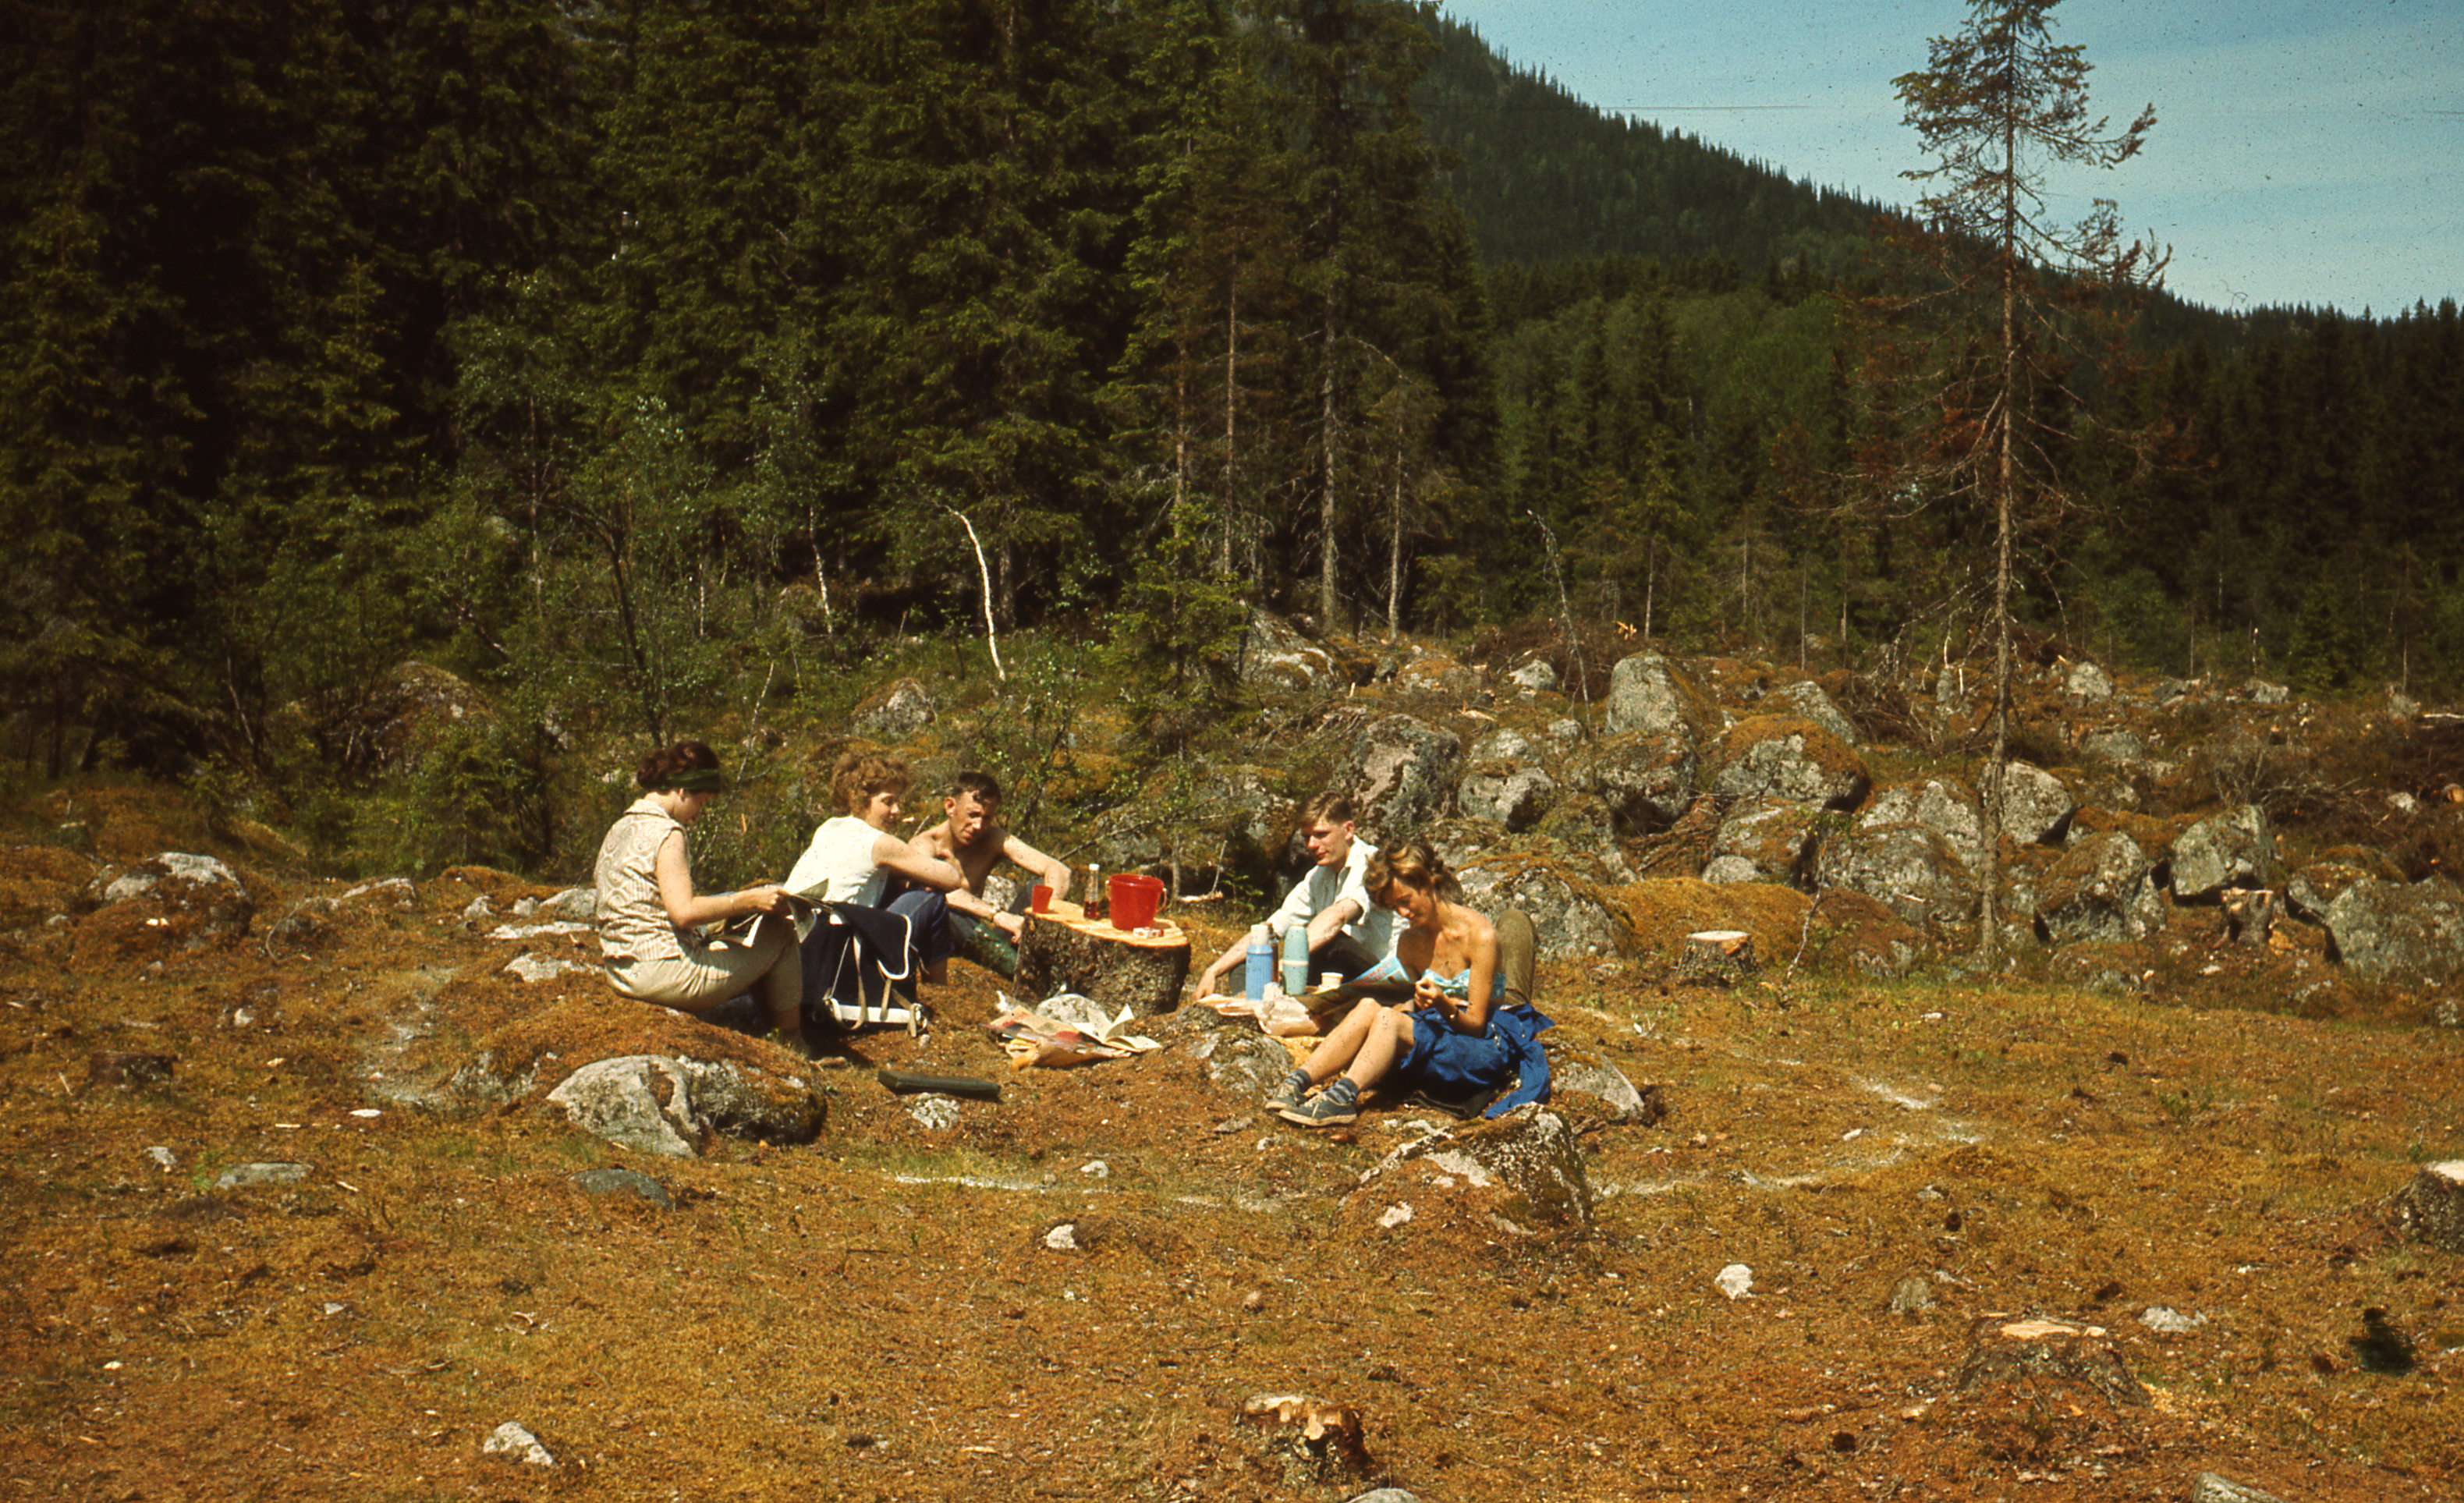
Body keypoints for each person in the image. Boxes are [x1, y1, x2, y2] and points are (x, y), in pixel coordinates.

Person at [1267, 840, 1553, 1127]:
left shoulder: (1479, 935)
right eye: (1395, 907)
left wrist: (1441, 1003)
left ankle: (1342, 1098)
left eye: (1405, 901)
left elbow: (1477, 1025)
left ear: (1427, 882)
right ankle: (1297, 1082)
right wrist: (1341, 1008)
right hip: (1437, 1033)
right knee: (1370, 1006)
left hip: (1478, 1041)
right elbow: (1405, 1002)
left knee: (1390, 1020)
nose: (1403, 913)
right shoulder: (1410, 941)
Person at [593, 739, 804, 1047]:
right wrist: (746, 900)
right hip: (659, 974)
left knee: (735, 918)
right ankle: (794, 1044)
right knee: (781, 933)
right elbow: (684, 912)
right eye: (701, 802)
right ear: (682, 791)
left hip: (622, 971)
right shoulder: (669, 833)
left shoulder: (621, 827)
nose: (699, 813)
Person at [1192, 791, 1398, 999]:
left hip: (1381, 977)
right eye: (1307, 837)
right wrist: (1214, 971)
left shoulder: (1371, 863)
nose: (1311, 845)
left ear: (1348, 830)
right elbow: (1271, 928)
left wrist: (1288, 961)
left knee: (1332, 942)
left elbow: (1338, 916)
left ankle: (1271, 1001)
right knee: (1249, 960)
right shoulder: (1318, 875)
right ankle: (1256, 1009)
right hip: (1336, 972)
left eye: (1321, 834)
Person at [787, 751, 968, 985]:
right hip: (842, 951)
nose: (897, 810)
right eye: (888, 801)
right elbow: (952, 879)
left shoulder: (828, 828)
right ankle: (940, 988)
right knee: (931, 899)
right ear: (860, 800)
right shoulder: (879, 842)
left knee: (895, 886)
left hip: (805, 947)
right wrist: (948, 864)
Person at [906, 770, 1072, 978]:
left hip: (982, 936)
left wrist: (1043, 920)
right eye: (973, 815)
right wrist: (998, 915)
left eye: (986, 818)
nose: (978, 826)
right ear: (950, 807)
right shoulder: (924, 844)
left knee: (1037, 888)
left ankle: (1029, 962)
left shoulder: (992, 838)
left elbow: (1059, 870)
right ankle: (1023, 975)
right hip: (942, 941)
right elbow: (934, 891)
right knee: (944, 907)